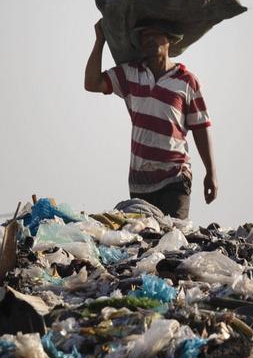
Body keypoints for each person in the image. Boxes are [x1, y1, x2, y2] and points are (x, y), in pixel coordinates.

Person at [84, 18, 216, 219]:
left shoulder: (187, 80)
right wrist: (100, 41)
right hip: (140, 180)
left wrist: (210, 172)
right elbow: (92, 83)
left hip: (175, 176)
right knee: (146, 242)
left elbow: (200, 128)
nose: (150, 39)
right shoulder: (130, 74)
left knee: (174, 237)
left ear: (169, 40)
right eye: (145, 36)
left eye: (155, 34)